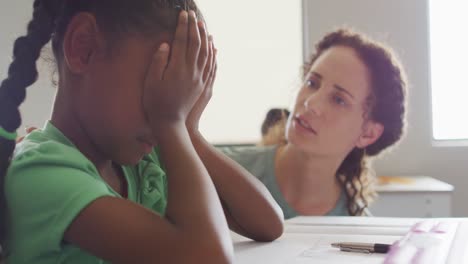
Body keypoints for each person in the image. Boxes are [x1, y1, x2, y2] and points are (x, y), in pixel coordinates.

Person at [0, 0, 283, 263]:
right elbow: (208, 257)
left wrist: (188, 130)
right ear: (83, 47)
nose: (168, 106)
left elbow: (268, 223)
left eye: (181, 95)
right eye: (160, 87)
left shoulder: (143, 163)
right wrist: (171, 121)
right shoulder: (42, 172)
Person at [220, 28, 408, 218]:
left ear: (368, 133)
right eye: (312, 83)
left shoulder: (356, 229)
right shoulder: (214, 170)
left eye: (338, 100)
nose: (311, 103)